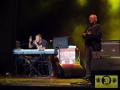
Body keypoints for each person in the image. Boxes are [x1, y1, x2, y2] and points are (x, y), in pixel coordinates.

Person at [82, 14, 102, 80]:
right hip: (88, 46)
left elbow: (98, 37)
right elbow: (84, 34)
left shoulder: (98, 26)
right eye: (89, 18)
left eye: (91, 18)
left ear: (95, 19)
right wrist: (84, 34)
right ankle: (88, 75)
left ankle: (95, 75)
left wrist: (89, 35)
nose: (89, 19)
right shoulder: (88, 27)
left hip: (94, 47)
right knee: (87, 61)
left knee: (95, 62)